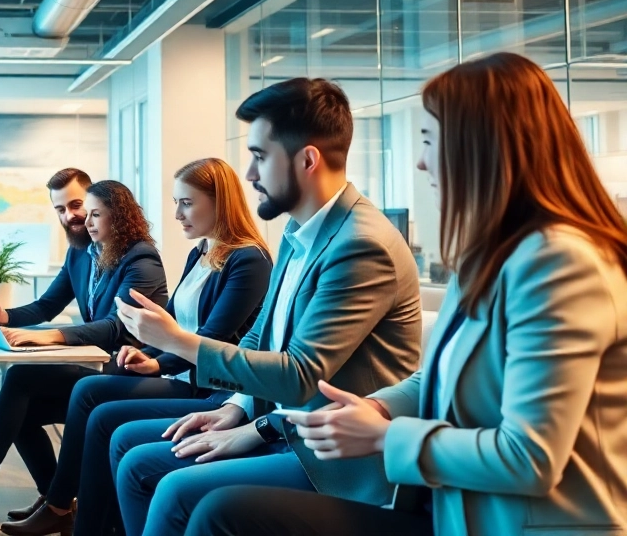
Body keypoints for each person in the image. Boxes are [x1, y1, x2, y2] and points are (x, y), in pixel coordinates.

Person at [186, 52, 627, 536]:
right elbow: (437, 375)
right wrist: (377, 407)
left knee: (218, 511)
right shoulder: (487, 257)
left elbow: (529, 457)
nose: (419, 159)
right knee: (216, 506)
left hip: (523, 524)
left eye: (428, 138)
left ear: (479, 147)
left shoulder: (561, 265)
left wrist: (387, 436)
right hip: (459, 510)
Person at [107, 77, 422, 536]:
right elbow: (262, 338)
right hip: (280, 424)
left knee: (177, 490)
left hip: (330, 458)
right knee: (134, 456)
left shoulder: (361, 246)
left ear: (307, 159)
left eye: (259, 157)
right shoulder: (299, 234)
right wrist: (237, 406)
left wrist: (178, 342)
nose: (250, 175)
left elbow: (298, 375)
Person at [2, 158, 272, 536]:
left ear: (220, 201)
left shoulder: (248, 259)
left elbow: (210, 337)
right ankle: (68, 508)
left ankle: (68, 509)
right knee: (85, 394)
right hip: (183, 373)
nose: (177, 214)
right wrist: (152, 360)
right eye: (176, 202)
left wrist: (160, 360)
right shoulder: (201, 253)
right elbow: (180, 326)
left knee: (92, 396)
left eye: (187, 203)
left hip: (212, 389)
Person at [0, 178, 169, 525]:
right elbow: (46, 305)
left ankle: (1, 494)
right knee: (19, 396)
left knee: (21, 382)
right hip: (103, 369)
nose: (71, 216)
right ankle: (50, 498)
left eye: (77, 206)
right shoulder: (82, 253)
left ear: (106, 209)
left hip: (130, 372)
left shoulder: (141, 258)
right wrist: (3, 317)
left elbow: (117, 328)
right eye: (60, 209)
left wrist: (48, 337)